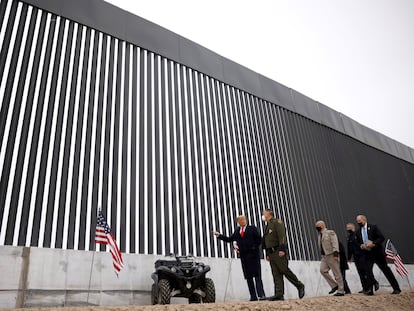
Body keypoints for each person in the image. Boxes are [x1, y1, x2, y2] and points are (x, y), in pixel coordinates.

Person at [213, 215, 266, 301]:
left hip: (253, 256)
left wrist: (254, 248)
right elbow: (229, 239)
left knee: (257, 276)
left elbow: (259, 240)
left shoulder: (252, 228)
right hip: (244, 258)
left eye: (244, 219)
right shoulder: (237, 231)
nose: (243, 221)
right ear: (238, 222)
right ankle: (253, 296)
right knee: (248, 277)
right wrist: (219, 235)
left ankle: (261, 295)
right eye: (241, 220)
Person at [262, 209, 305, 301]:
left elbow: (282, 235)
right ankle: (279, 294)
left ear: (268, 214)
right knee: (276, 274)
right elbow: (267, 241)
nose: (263, 215)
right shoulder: (268, 225)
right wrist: (267, 253)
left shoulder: (277, 222)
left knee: (284, 270)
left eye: (264, 213)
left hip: (278, 251)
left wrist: (282, 249)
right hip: (271, 252)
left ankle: (299, 285)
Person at [355, 215, 401, 295]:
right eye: (357, 222)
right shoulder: (358, 231)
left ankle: (396, 288)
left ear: (364, 220)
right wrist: (361, 245)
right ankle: (370, 290)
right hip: (367, 254)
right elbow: (358, 242)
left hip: (377, 253)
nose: (358, 223)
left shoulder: (373, 227)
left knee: (386, 270)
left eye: (359, 221)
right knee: (368, 271)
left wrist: (373, 243)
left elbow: (381, 238)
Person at [346, 223, 379, 293]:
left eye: (349, 227)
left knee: (366, 271)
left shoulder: (358, 234)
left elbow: (363, 243)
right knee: (360, 273)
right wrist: (349, 257)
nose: (348, 229)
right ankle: (365, 288)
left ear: (353, 228)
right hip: (356, 256)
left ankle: (374, 282)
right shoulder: (349, 237)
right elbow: (349, 248)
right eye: (347, 228)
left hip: (362, 255)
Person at [315, 220, 345, 296]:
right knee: (322, 270)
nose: (316, 227)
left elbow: (335, 243)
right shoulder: (319, 235)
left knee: (336, 273)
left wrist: (335, 254)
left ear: (322, 225)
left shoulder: (330, 232)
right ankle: (334, 285)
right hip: (324, 256)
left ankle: (341, 290)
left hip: (332, 255)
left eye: (317, 226)